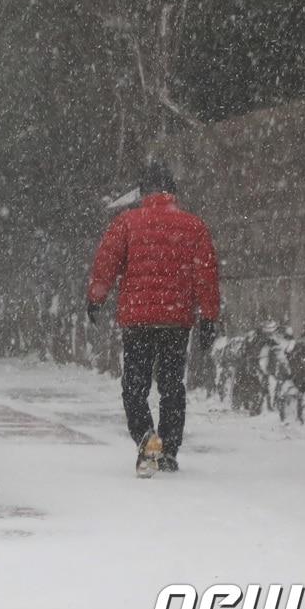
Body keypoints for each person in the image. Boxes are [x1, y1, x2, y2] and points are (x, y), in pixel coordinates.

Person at [86, 162, 220, 476]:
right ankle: (169, 451)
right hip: (176, 320)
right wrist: (209, 317)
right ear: (172, 191)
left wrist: (96, 298)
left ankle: (147, 440)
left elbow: (107, 264)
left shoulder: (127, 222)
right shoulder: (194, 226)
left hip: (137, 319)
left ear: (143, 192)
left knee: (135, 386)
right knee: (172, 386)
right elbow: (206, 276)